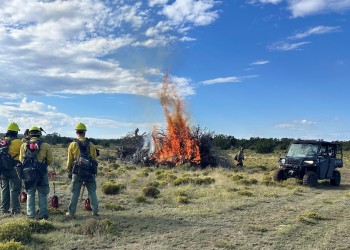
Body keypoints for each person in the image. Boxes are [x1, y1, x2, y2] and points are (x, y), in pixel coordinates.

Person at [19, 126, 53, 220]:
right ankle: (43, 214)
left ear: (30, 134)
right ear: (39, 134)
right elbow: (50, 160)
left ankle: (31, 215)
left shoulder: (23, 145)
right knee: (42, 193)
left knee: (30, 193)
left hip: (28, 173)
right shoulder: (46, 145)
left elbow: (21, 159)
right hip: (42, 172)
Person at [66, 123, 99, 218]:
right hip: (90, 173)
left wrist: (69, 171)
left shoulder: (72, 145)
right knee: (92, 192)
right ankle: (95, 212)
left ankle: (71, 213)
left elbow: (69, 160)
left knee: (75, 192)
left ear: (76, 132)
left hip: (77, 172)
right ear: (84, 132)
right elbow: (94, 158)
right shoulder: (91, 145)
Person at [0, 122, 23, 215]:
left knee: (5, 188)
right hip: (15, 168)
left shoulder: (2, 141)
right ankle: (15, 209)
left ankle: (4, 209)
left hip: (2, 168)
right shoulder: (19, 142)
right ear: (16, 132)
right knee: (14, 189)